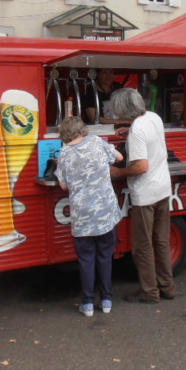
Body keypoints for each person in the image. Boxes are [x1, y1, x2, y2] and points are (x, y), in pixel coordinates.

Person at [109, 87, 177, 303]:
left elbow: (140, 166)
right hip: (163, 188)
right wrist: (128, 132)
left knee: (143, 246)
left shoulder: (137, 129)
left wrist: (117, 172)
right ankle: (167, 287)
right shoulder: (153, 117)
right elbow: (149, 140)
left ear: (122, 108)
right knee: (161, 241)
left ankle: (149, 291)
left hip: (145, 193)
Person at [55, 116, 124, 316]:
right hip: (105, 213)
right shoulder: (96, 142)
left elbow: (63, 185)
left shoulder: (65, 153)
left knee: (86, 259)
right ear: (82, 130)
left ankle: (87, 304)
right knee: (105, 256)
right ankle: (107, 300)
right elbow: (118, 158)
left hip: (82, 216)